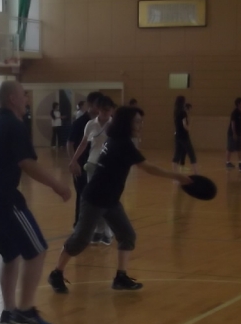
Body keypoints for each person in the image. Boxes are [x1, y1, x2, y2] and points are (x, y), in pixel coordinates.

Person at [49, 106, 191, 294]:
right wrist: (177, 176)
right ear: (126, 123)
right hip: (95, 198)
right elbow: (148, 168)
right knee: (80, 240)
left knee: (127, 235)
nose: (140, 125)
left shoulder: (116, 139)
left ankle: (121, 277)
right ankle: (56, 273)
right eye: (137, 121)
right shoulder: (122, 144)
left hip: (110, 200)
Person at [0, 80, 71, 324]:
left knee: (10, 255)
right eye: (24, 95)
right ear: (12, 98)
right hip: (2, 200)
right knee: (37, 250)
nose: (27, 99)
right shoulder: (14, 125)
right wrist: (57, 185)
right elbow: (27, 163)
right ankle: (25, 311)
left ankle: (9, 312)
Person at [71, 95, 116, 245]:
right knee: (94, 199)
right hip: (92, 164)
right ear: (98, 110)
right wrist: (74, 159)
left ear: (112, 110)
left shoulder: (115, 125)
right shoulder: (90, 124)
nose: (105, 113)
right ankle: (98, 230)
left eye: (108, 110)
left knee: (107, 198)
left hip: (109, 166)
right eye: (102, 110)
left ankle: (107, 231)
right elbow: (83, 144)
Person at [66, 91, 102, 229]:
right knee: (83, 195)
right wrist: (73, 162)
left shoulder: (103, 122)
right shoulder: (80, 123)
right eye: (97, 104)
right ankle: (79, 225)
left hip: (98, 164)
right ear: (90, 104)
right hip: (82, 164)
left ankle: (96, 227)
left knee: (98, 195)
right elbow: (70, 143)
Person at [172, 95, 198, 174]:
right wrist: (189, 127)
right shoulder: (183, 113)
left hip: (177, 135)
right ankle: (196, 173)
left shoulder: (176, 112)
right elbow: (184, 125)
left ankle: (175, 174)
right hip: (184, 136)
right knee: (192, 154)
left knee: (177, 155)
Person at [225, 97, 241, 169]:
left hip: (238, 133)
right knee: (230, 148)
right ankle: (228, 162)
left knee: (239, 148)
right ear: (238, 104)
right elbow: (233, 123)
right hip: (232, 133)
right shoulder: (234, 112)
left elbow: (240, 124)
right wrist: (234, 133)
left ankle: (240, 162)